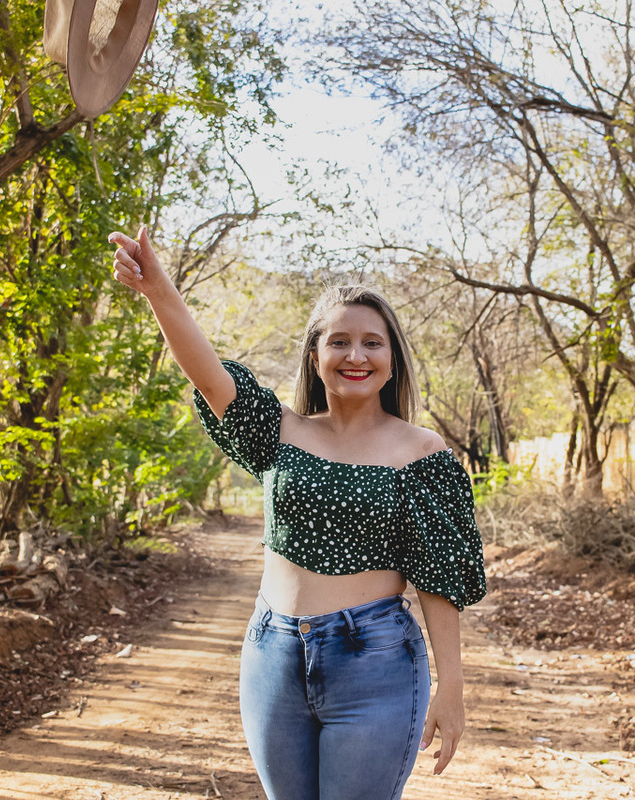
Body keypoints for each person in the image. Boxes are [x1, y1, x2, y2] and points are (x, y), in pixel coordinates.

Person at [109, 225, 487, 800]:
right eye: (338, 342)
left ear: (392, 359)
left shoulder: (424, 454)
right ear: (316, 356)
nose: (354, 355)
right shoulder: (281, 432)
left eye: (371, 343)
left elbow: (439, 579)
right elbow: (208, 373)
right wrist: (159, 291)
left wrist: (452, 687)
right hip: (273, 657)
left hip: (375, 664)